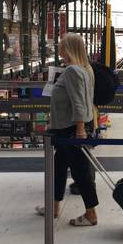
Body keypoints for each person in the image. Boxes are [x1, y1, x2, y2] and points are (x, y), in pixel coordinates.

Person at [35, 33, 99, 226]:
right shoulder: (86, 69)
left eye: (62, 46)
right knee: (59, 168)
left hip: (71, 129)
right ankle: (54, 208)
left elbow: (79, 103)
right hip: (68, 127)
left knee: (80, 172)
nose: (60, 50)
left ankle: (91, 214)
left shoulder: (72, 71)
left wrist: (80, 131)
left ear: (69, 48)